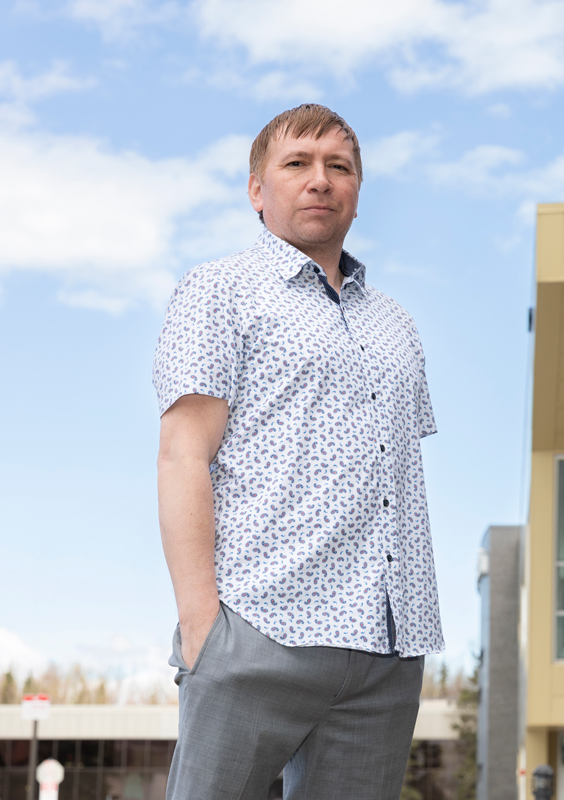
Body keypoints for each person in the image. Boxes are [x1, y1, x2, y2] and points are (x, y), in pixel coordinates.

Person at [153, 104, 443, 800]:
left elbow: (395, 473)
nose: (320, 180)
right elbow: (182, 456)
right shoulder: (218, 290)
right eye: (297, 164)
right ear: (258, 190)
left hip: (386, 652)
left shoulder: (397, 323)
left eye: (338, 167)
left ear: (357, 190)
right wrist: (203, 631)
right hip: (259, 632)